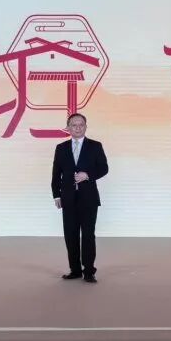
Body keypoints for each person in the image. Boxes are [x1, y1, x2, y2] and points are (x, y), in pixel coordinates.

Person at [51, 113, 108, 283]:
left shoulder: (95, 146)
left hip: (88, 198)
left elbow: (104, 168)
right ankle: (75, 270)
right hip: (68, 198)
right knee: (70, 234)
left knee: (88, 234)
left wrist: (87, 175)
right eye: (74, 125)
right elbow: (56, 174)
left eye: (81, 124)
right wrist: (56, 195)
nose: (78, 128)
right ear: (68, 128)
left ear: (86, 127)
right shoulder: (61, 148)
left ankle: (89, 271)